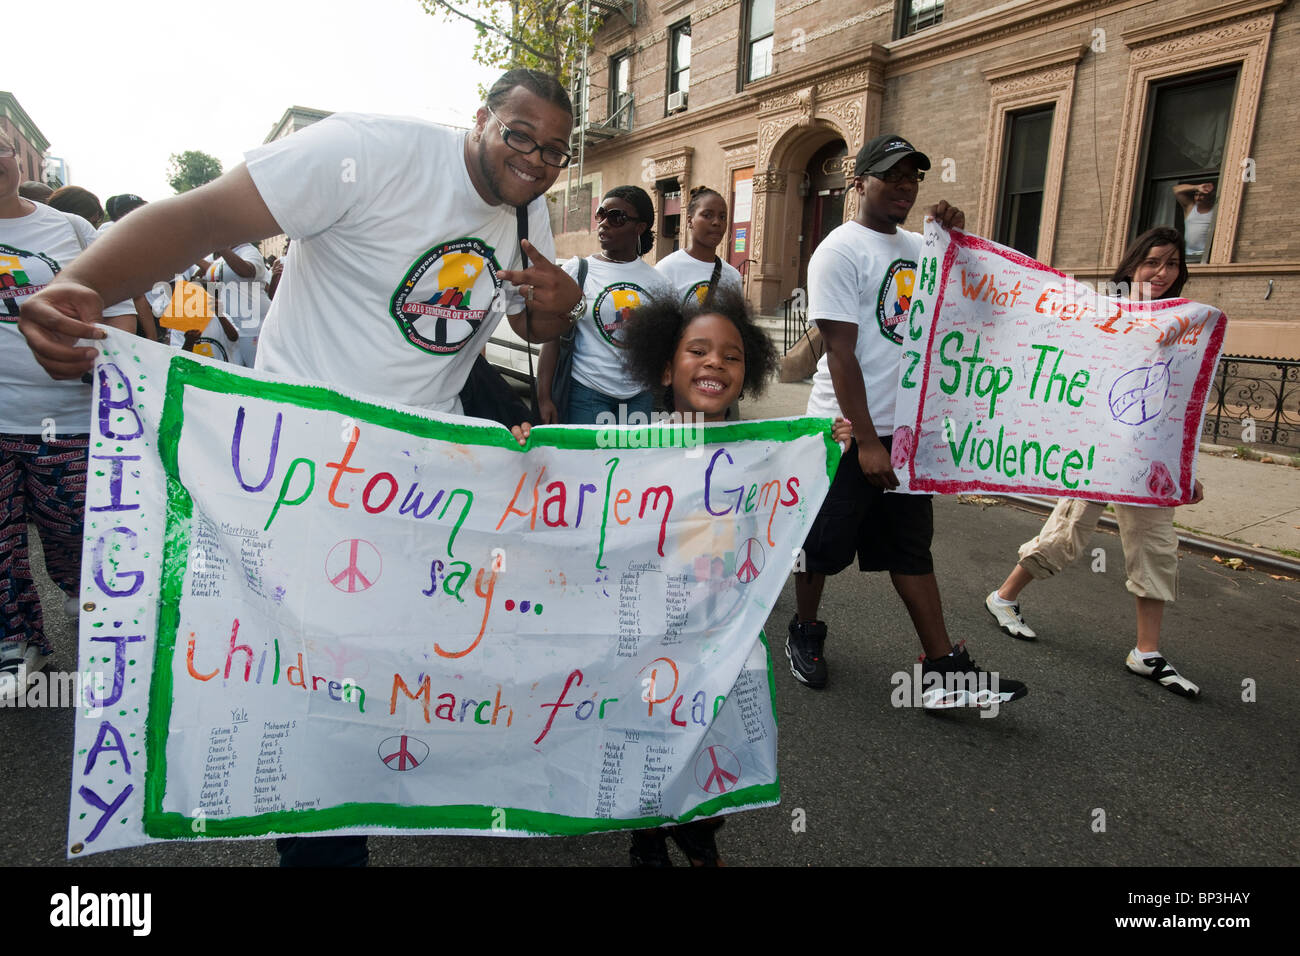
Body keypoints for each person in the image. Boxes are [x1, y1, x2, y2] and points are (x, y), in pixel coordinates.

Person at [18, 68, 583, 864]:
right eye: (519, 135)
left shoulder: (528, 206)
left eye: (555, 150)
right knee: (306, 679)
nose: (535, 159)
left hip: (417, 486)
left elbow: (528, 316)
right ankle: (321, 843)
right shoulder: (367, 149)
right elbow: (205, 214)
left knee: (395, 668)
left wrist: (561, 307)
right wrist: (82, 283)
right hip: (299, 475)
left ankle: (382, 786)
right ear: (480, 117)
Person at [787, 132, 1028, 709]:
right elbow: (840, 352)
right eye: (890, 175)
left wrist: (957, 243)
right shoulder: (839, 251)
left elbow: (976, 309)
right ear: (858, 181)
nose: (904, 186)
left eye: (913, 176)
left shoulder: (923, 249)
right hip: (846, 432)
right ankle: (805, 630)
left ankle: (942, 667)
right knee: (819, 548)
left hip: (910, 434)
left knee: (910, 550)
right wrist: (868, 442)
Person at [986, 226, 1205, 698]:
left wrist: (1185, 470)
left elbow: (1182, 406)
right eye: (1153, 262)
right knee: (1067, 532)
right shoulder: (1101, 316)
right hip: (1098, 450)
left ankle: (1146, 653)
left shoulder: (1186, 326)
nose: (1163, 273)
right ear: (1131, 267)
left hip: (1149, 459)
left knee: (1156, 546)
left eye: (1172, 263)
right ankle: (1004, 598)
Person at [619, 287, 784, 864]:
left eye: (732, 355)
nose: (715, 362)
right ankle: (646, 835)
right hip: (647, 631)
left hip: (722, 629)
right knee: (649, 723)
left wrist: (827, 447)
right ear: (666, 368)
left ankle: (699, 825)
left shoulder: (764, 452)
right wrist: (530, 448)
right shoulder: (624, 449)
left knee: (712, 724)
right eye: (699, 350)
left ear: (749, 371)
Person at [0, 128, 137, 700]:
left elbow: (123, 310)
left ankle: (86, 602)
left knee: (71, 536)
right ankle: (15, 641)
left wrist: (92, 360)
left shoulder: (70, 229)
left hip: (68, 419)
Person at [536, 185, 672, 425]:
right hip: (587, 392)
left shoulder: (658, 283)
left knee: (632, 463)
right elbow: (553, 338)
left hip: (639, 396)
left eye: (616, 217)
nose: (604, 223)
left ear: (639, 228)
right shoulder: (577, 271)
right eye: (601, 214)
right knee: (591, 462)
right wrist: (543, 396)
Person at [655, 186, 743, 307]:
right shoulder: (666, 269)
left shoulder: (733, 277)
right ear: (690, 221)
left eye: (722, 217)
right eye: (707, 215)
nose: (716, 222)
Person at [1172, 181, 1216, 263]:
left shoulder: (1215, 211)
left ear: (1209, 196)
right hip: (1189, 255)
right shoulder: (1190, 207)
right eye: (1196, 194)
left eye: (1202, 195)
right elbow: (1176, 190)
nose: (1198, 198)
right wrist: (1197, 187)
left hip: (1205, 256)